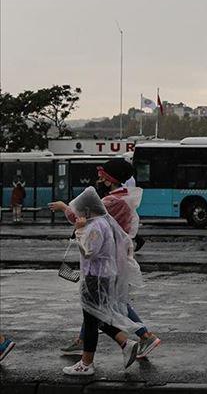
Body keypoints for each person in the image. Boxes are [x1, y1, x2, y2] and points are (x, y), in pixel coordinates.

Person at [49, 158, 161, 360]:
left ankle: (143, 337)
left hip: (106, 262)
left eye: (102, 176)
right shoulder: (122, 197)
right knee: (99, 302)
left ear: (110, 180)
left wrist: (64, 207)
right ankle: (85, 341)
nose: (98, 178)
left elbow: (84, 217)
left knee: (104, 302)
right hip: (113, 259)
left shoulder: (111, 201)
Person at [61, 187, 143, 376]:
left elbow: (90, 251)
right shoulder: (101, 222)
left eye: (80, 210)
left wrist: (79, 231)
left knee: (91, 319)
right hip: (100, 276)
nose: (78, 214)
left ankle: (87, 363)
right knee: (95, 316)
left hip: (95, 277)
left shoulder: (96, 225)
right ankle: (125, 343)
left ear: (88, 210)